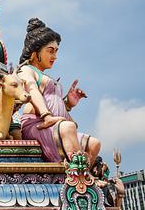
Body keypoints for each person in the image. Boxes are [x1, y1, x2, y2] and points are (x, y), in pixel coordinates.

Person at [18, 18, 100, 163]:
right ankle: (79, 178)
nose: (54, 56)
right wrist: (46, 115)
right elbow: (32, 91)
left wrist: (68, 104)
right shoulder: (26, 70)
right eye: (50, 51)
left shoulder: (45, 76)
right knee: (68, 128)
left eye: (56, 51)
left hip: (55, 125)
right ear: (35, 52)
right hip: (37, 124)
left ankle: (83, 178)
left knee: (94, 144)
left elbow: (53, 103)